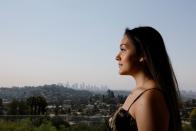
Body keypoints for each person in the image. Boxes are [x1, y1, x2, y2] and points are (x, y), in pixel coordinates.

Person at [108, 26, 182, 131]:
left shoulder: (149, 97)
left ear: (142, 54)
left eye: (123, 49)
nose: (117, 56)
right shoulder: (139, 93)